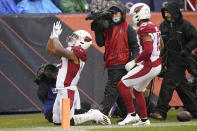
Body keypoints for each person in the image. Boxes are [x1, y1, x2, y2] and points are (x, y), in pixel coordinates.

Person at [46, 21, 111, 125]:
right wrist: (51, 36)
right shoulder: (70, 50)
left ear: (82, 41)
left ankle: (93, 115)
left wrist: (56, 36)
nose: (72, 38)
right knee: (57, 122)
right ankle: (91, 114)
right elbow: (50, 50)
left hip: (67, 90)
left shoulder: (80, 51)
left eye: (75, 37)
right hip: (61, 90)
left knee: (67, 122)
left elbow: (58, 48)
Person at [91, 2, 139, 120]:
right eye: (112, 13)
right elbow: (100, 43)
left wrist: (133, 62)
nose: (114, 15)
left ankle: (102, 112)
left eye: (116, 12)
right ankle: (128, 114)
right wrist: (97, 30)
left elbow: (135, 47)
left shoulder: (128, 28)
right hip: (111, 63)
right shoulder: (107, 27)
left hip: (123, 64)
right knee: (119, 92)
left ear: (122, 14)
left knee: (111, 88)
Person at [149, 1, 197, 120]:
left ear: (175, 12)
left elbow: (195, 38)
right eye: (164, 12)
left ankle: (160, 111)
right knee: (183, 88)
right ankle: (195, 110)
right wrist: (161, 60)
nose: (165, 14)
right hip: (169, 60)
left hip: (181, 60)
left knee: (167, 85)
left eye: (168, 11)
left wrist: (187, 49)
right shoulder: (163, 26)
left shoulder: (185, 25)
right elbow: (162, 45)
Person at [117, 3, 163, 126]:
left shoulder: (144, 28)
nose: (132, 18)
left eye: (133, 15)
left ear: (138, 15)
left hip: (149, 64)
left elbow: (147, 50)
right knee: (137, 90)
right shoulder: (153, 25)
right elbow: (161, 45)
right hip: (156, 63)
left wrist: (134, 61)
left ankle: (132, 115)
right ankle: (144, 120)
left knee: (122, 84)